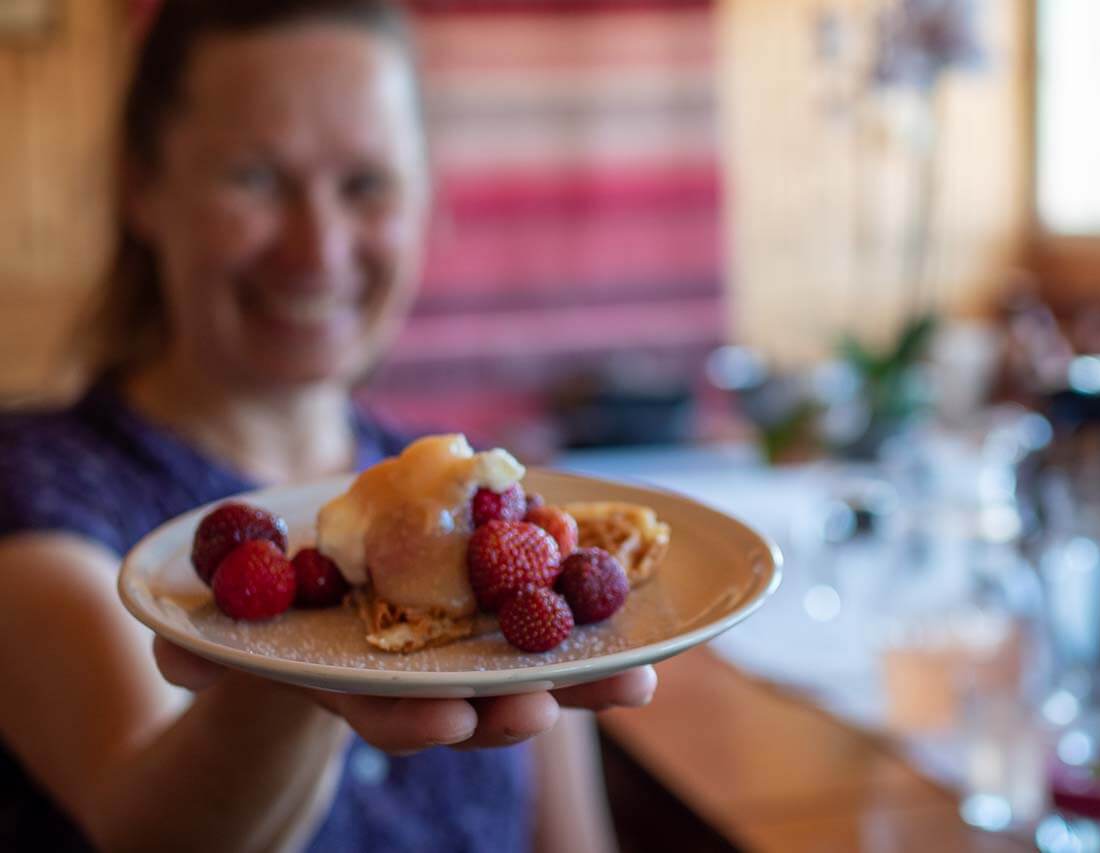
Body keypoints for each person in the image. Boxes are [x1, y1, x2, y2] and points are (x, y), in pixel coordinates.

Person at [0, 1, 656, 850]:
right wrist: (296, 665)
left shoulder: (484, 510)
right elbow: (148, 833)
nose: (318, 250)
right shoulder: (37, 488)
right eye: (256, 178)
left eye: (365, 184)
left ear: (427, 199)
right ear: (142, 188)